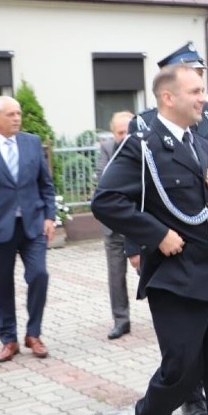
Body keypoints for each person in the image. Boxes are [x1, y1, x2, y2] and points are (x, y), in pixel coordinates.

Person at [91, 64, 208, 415]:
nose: (202, 98)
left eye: (203, 90)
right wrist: (156, 234)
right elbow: (106, 200)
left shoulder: (201, 145)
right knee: (180, 371)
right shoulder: (143, 146)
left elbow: (207, 208)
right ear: (168, 97)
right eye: (195, 91)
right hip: (178, 280)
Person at [0, 95, 56, 362]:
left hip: (32, 224)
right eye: (10, 114)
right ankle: (8, 339)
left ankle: (33, 333)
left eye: (18, 113)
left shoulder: (32, 143)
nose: (17, 118)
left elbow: (45, 184)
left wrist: (49, 216)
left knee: (39, 275)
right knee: (1, 286)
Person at [96, 110, 135, 340]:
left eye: (129, 130)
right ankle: (121, 321)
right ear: (113, 134)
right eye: (121, 132)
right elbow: (103, 180)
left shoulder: (147, 147)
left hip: (141, 224)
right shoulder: (107, 149)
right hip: (114, 225)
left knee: (150, 270)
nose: (125, 136)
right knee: (116, 275)